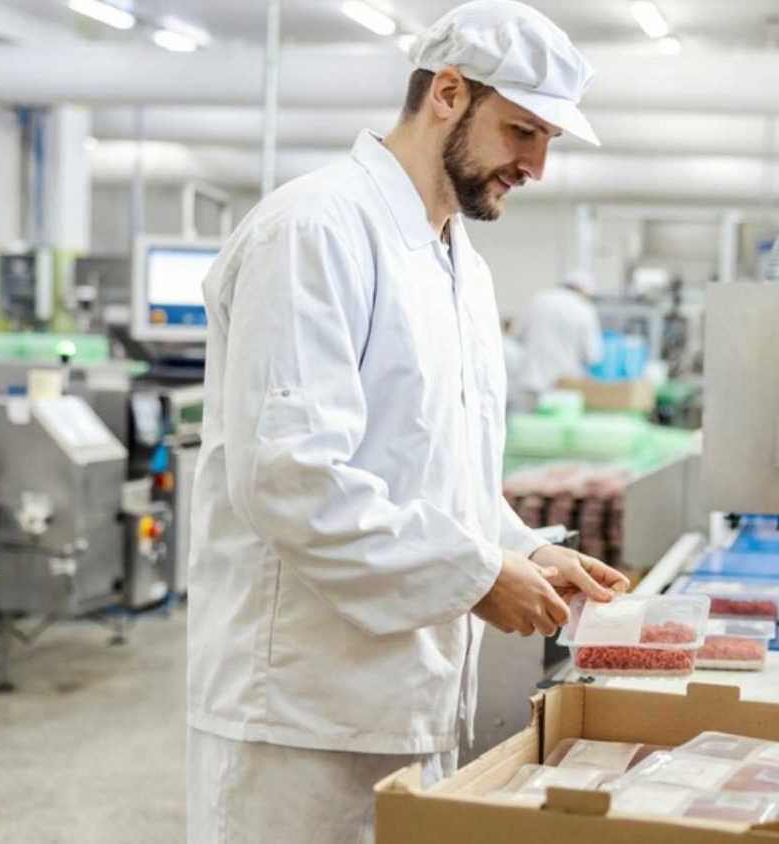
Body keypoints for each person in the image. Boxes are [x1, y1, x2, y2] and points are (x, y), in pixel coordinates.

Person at [184, 3, 628, 842]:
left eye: (549, 142)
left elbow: (439, 475)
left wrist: (522, 548)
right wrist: (475, 579)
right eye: (522, 131)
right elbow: (290, 478)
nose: (535, 165)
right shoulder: (314, 228)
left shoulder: (458, 262)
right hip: (299, 713)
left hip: (408, 697)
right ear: (449, 94)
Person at [519, 268, 604, 393]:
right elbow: (593, 355)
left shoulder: (538, 300)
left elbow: (520, 336)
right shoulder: (584, 309)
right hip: (564, 385)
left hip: (531, 381)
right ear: (584, 290)